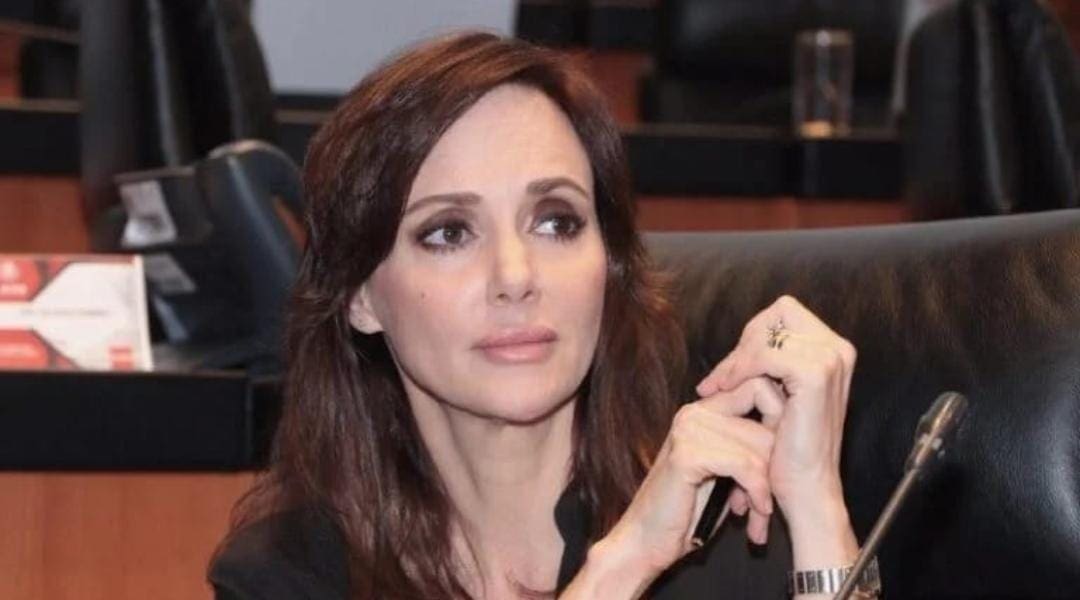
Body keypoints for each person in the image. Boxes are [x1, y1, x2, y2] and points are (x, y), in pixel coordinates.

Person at [209, 31, 868, 599]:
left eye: (556, 222)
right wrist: (621, 567)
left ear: (608, 264)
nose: (516, 277)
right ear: (360, 295)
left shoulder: (733, 531)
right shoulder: (286, 575)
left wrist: (819, 515)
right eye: (448, 233)